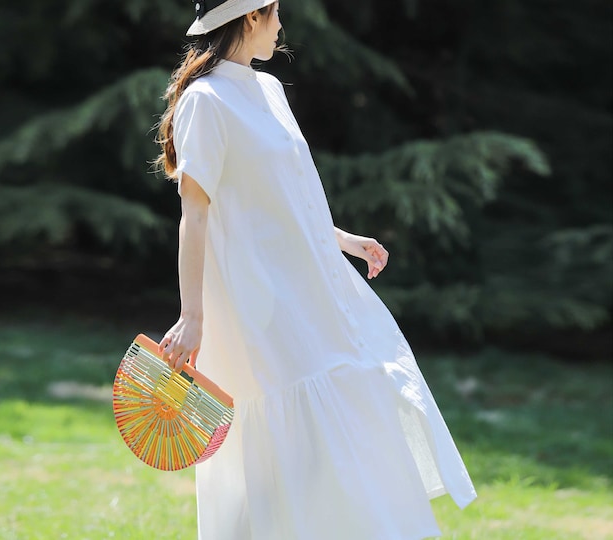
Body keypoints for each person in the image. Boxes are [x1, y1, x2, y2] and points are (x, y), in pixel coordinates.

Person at [155, 1, 477, 538]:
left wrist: (342, 240)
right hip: (257, 301)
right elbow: (196, 213)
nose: (281, 25)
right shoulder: (204, 101)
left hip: (308, 290)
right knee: (283, 437)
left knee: (344, 403)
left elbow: (285, 197)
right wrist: (193, 315)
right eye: (276, 12)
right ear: (252, 17)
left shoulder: (270, 91)